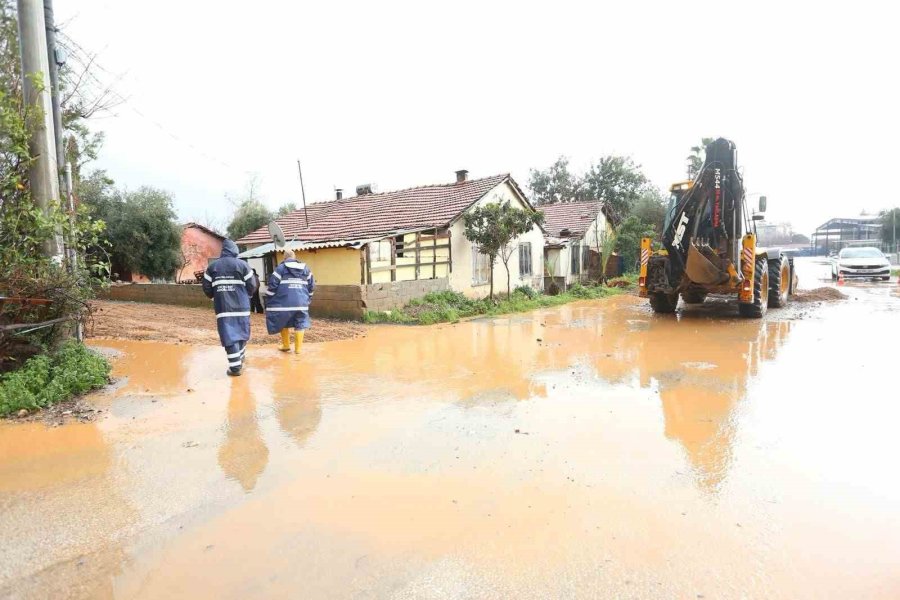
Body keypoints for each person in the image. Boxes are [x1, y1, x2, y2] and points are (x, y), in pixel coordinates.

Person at [202, 239, 258, 376]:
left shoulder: (212, 267)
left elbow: (206, 287)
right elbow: (252, 285)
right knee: (242, 332)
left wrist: (214, 296)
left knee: (229, 335)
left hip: (223, 307)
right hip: (242, 306)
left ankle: (235, 367)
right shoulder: (243, 265)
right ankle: (238, 360)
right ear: (235, 251)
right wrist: (247, 295)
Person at [265, 249, 315, 353]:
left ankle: (286, 345)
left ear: (284, 258)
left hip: (283, 304)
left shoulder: (280, 269)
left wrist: (268, 298)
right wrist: (308, 299)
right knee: (300, 323)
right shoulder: (306, 269)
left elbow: (272, 286)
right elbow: (312, 287)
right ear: (294, 257)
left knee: (282, 322)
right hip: (301, 304)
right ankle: (298, 350)